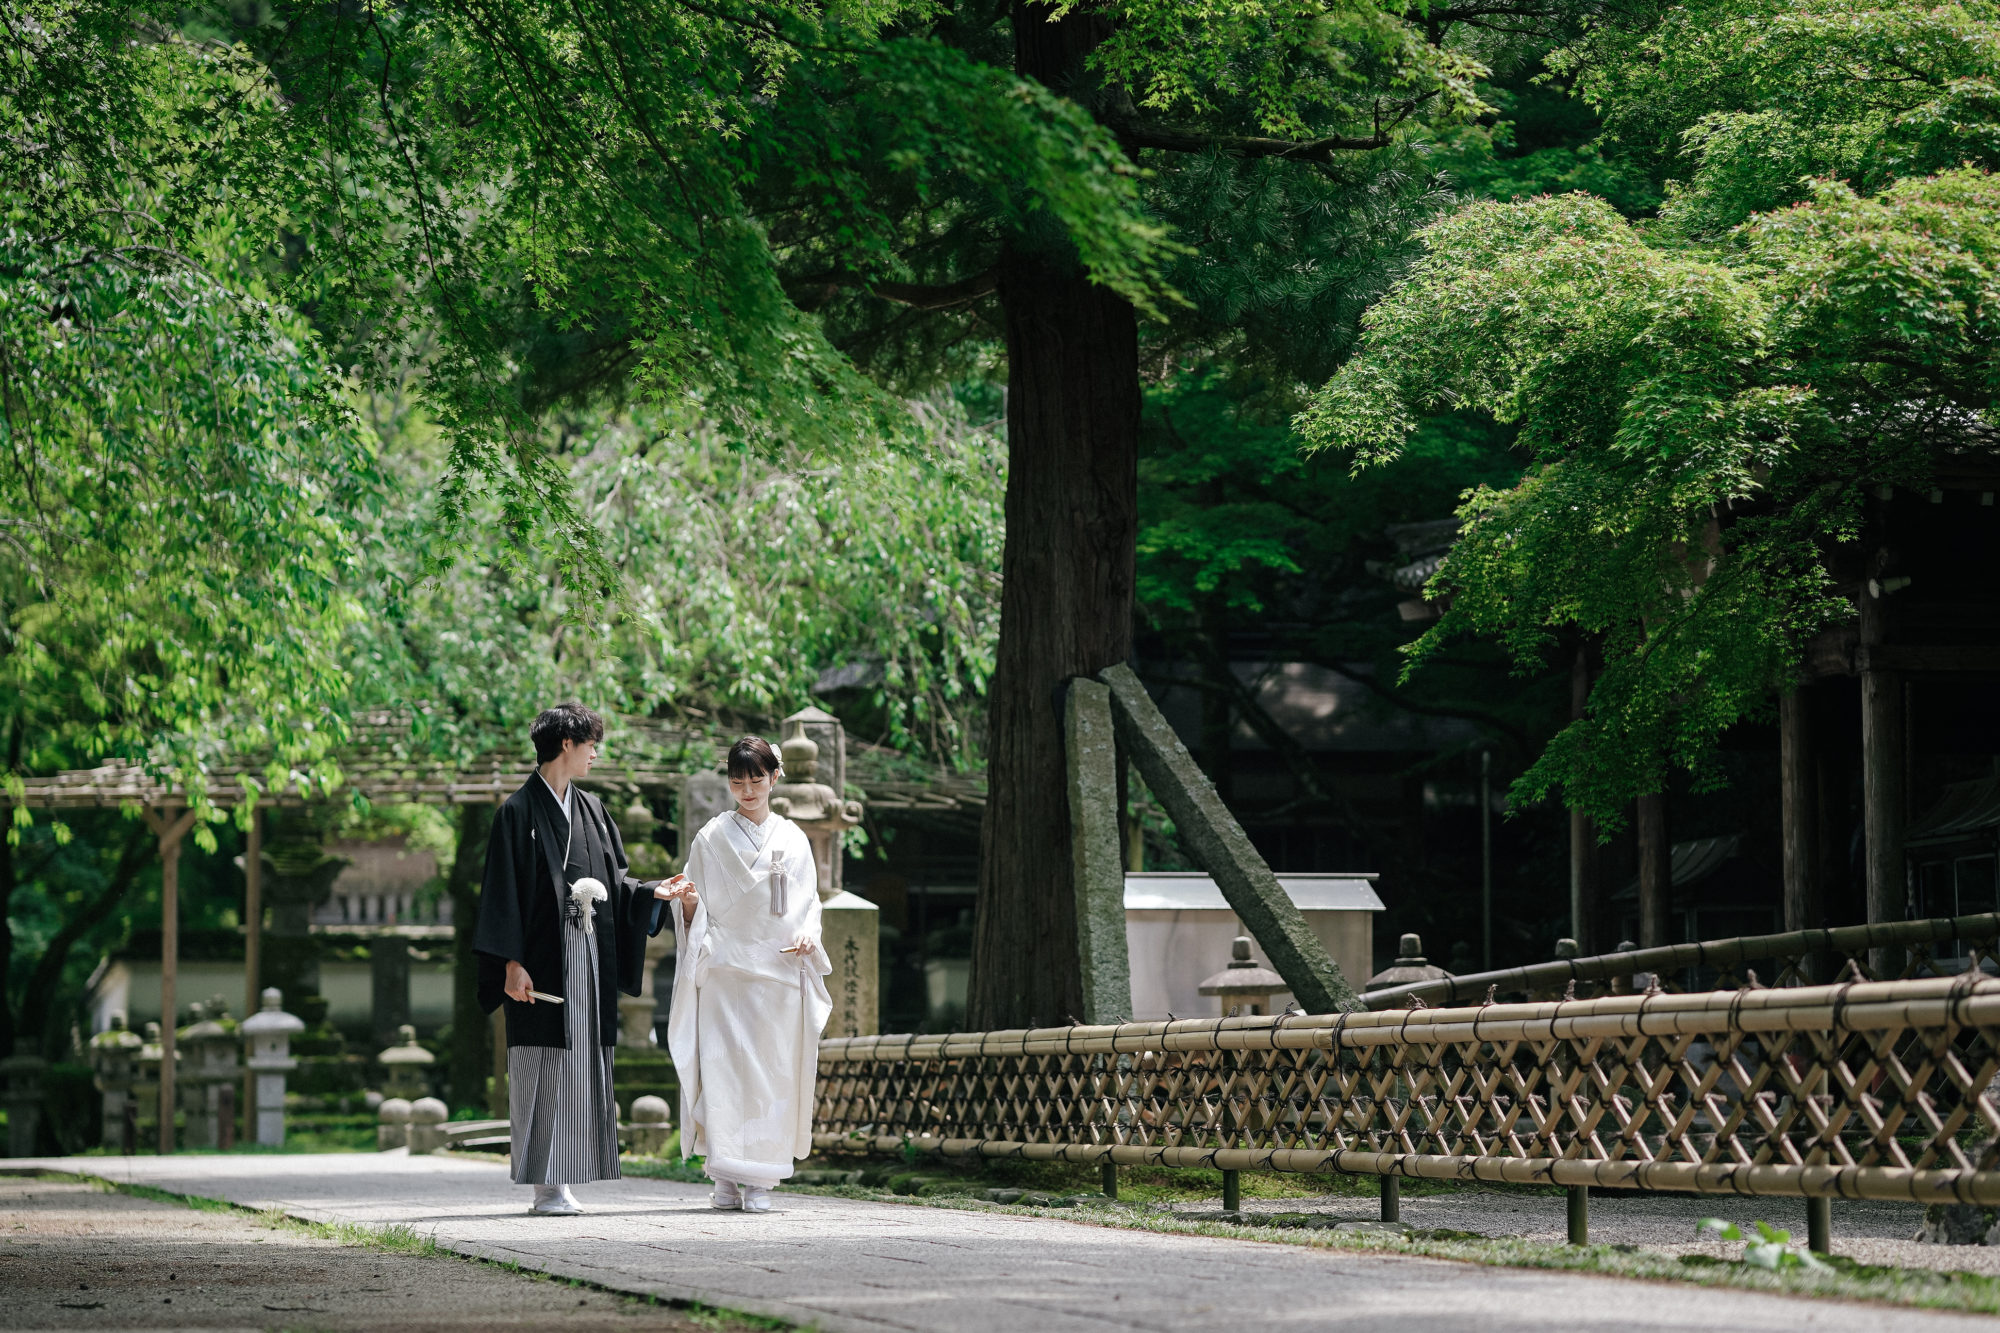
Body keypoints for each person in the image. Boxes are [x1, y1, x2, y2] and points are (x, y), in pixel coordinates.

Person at [472, 703, 683, 1216]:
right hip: (541, 963)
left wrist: (654, 893)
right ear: (566, 743)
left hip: (588, 959)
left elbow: (617, 883)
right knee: (541, 1066)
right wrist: (510, 963)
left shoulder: (592, 811)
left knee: (583, 1065)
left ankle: (568, 1176)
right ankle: (547, 1185)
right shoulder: (516, 812)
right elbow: (501, 895)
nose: (596, 752)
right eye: (591, 742)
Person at [664, 736, 830, 1212]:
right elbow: (695, 902)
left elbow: (809, 903)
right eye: (738, 782)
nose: (747, 790)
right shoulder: (710, 838)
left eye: (756, 779)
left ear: (775, 777)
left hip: (777, 971)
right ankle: (724, 1174)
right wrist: (690, 907)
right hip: (724, 969)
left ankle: (760, 1180)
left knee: (770, 1075)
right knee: (723, 1073)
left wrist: (808, 936)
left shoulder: (795, 839)